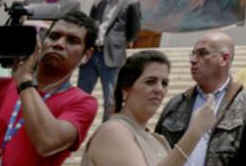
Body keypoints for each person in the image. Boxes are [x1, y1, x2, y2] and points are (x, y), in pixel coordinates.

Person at [0, 11, 100, 166]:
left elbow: (47, 142)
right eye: (54, 36)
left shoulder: (83, 102)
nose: (59, 44)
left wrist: (25, 78)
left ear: (87, 55)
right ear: (42, 42)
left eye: (72, 41)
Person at [82, 50, 215, 165]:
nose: (159, 89)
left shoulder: (159, 141)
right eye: (150, 81)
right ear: (126, 90)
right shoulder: (113, 131)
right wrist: (194, 133)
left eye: (164, 83)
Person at [155, 32, 246, 165]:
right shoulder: (176, 103)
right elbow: (156, 152)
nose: (193, 60)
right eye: (193, 54)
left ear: (224, 59)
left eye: (202, 53)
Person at [79, 0, 142, 120]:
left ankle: (107, 130)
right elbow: (90, 27)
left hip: (112, 57)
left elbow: (134, 30)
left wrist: (119, 44)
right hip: (91, 56)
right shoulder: (98, 4)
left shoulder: (131, 3)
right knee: (80, 96)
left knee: (111, 100)